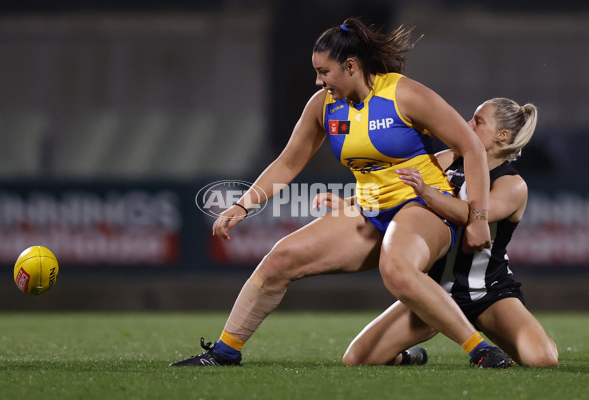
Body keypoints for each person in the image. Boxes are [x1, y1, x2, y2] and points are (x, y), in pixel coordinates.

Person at [171, 17, 509, 368]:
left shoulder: (404, 93)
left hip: (425, 206)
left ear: (351, 66)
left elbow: (471, 147)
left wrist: (477, 218)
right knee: (279, 260)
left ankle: (479, 349)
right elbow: (288, 163)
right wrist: (243, 206)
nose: (319, 81)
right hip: (372, 210)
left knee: (395, 268)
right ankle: (225, 353)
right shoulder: (323, 105)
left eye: (324, 72)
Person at [341, 97, 559, 367]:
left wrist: (425, 191)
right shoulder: (449, 159)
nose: (467, 125)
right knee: (357, 359)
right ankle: (409, 358)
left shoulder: (512, 184)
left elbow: (474, 214)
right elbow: (393, 189)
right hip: (435, 292)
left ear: (503, 136)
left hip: (489, 293)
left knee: (543, 360)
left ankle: (502, 337)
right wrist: (351, 202)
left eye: (478, 122)